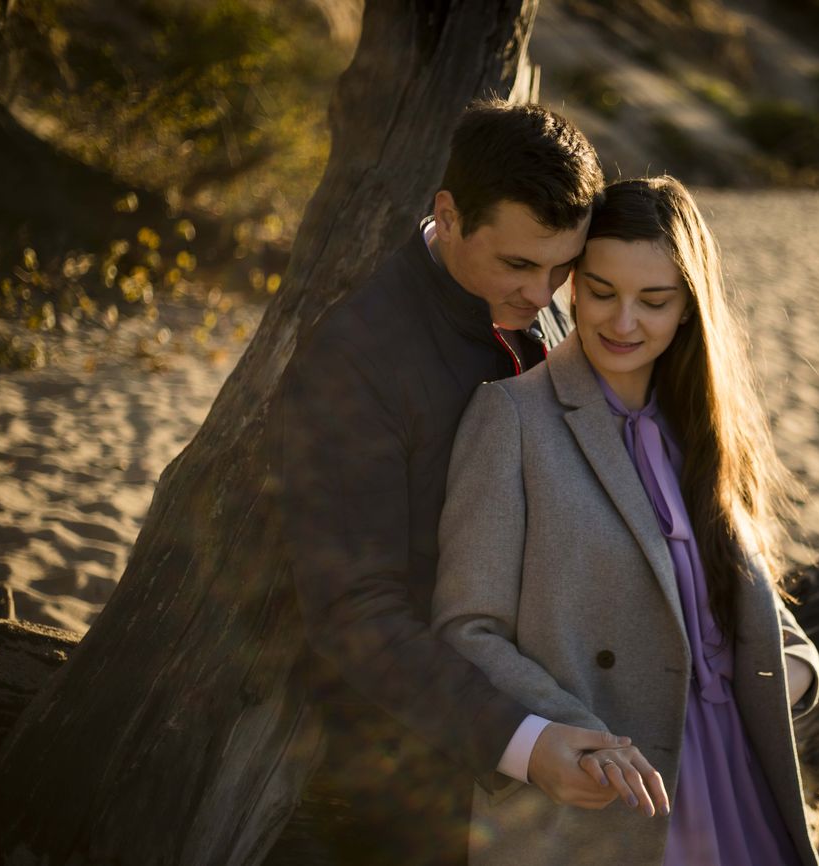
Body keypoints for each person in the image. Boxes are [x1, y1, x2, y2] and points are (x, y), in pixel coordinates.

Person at [274, 101, 665, 864]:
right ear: (449, 216)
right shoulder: (356, 361)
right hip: (416, 762)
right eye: (518, 265)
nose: (543, 296)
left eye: (562, 268)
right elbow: (354, 611)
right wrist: (522, 740)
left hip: (566, 717)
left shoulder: (535, 306)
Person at [432, 176, 819, 865]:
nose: (623, 322)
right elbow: (468, 628)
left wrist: (790, 666)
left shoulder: (706, 425)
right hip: (606, 794)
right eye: (603, 292)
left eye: (654, 300)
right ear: (572, 288)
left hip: (737, 775)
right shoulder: (511, 418)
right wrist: (576, 737)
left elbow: (749, 601)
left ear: (689, 307)